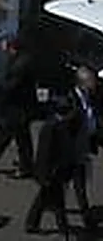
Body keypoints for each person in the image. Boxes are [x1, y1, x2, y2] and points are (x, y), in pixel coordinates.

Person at [0, 35, 40, 177]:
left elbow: (10, 86)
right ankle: (25, 165)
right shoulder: (21, 59)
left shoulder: (20, 65)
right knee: (19, 137)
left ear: (11, 46)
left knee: (8, 136)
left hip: (17, 108)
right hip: (21, 107)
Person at [28, 97, 81, 236]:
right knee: (57, 201)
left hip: (56, 171)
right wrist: (45, 175)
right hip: (51, 172)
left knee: (44, 199)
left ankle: (32, 224)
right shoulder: (52, 127)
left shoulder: (61, 124)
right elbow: (44, 154)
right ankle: (63, 229)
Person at [72, 67, 99, 221]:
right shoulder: (72, 99)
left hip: (84, 146)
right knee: (78, 183)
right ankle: (87, 219)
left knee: (78, 183)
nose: (95, 84)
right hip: (73, 148)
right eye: (92, 81)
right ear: (83, 83)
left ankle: (35, 216)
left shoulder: (90, 96)